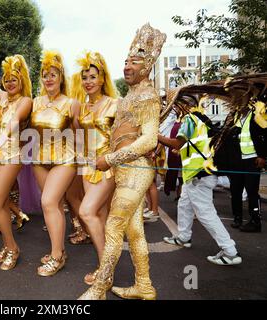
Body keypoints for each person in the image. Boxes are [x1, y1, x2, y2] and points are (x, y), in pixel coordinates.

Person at [79, 24, 166, 300]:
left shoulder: (149, 96)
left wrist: (111, 158)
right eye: (126, 61)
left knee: (113, 226)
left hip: (137, 171)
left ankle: (100, 287)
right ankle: (144, 285)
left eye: (135, 62)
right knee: (134, 231)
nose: (127, 66)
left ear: (148, 65)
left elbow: (150, 140)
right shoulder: (130, 96)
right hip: (124, 172)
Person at [158, 102, 242, 266]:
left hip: (199, 175)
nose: (174, 108)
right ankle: (183, 237)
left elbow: (177, 143)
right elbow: (192, 145)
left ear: (184, 104)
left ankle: (230, 251)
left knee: (205, 212)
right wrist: (181, 149)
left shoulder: (190, 119)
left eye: (176, 105)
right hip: (195, 174)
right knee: (184, 204)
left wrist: (156, 136)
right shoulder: (199, 120)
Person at [30, 51, 81, 277]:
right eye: (45, 75)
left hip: (65, 160)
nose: (48, 79)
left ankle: (56, 257)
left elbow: (80, 135)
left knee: (48, 202)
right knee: (56, 205)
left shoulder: (72, 103)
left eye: (53, 74)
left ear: (61, 78)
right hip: (39, 161)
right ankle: (59, 250)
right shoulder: (35, 102)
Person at [72, 51, 118, 285]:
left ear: (102, 79)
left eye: (92, 77)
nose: (88, 81)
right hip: (86, 167)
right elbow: (80, 136)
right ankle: (105, 264)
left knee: (86, 212)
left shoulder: (114, 104)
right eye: (85, 77)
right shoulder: (82, 107)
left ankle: (106, 270)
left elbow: (124, 136)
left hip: (107, 167)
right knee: (99, 215)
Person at [0, 55, 33, 271]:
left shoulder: (25, 100)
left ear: (22, 80)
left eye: (14, 79)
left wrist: (2, 138)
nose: (10, 82)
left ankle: (13, 248)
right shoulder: (3, 98)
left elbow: (14, 122)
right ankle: (6, 245)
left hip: (12, 155)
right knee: (1, 204)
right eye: (6, 79)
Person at [226, 104, 266, 232]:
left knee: (252, 192)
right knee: (235, 190)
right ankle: (237, 218)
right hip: (237, 160)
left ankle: (255, 221)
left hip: (252, 159)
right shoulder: (235, 116)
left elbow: (264, 136)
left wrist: (263, 156)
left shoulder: (256, 115)